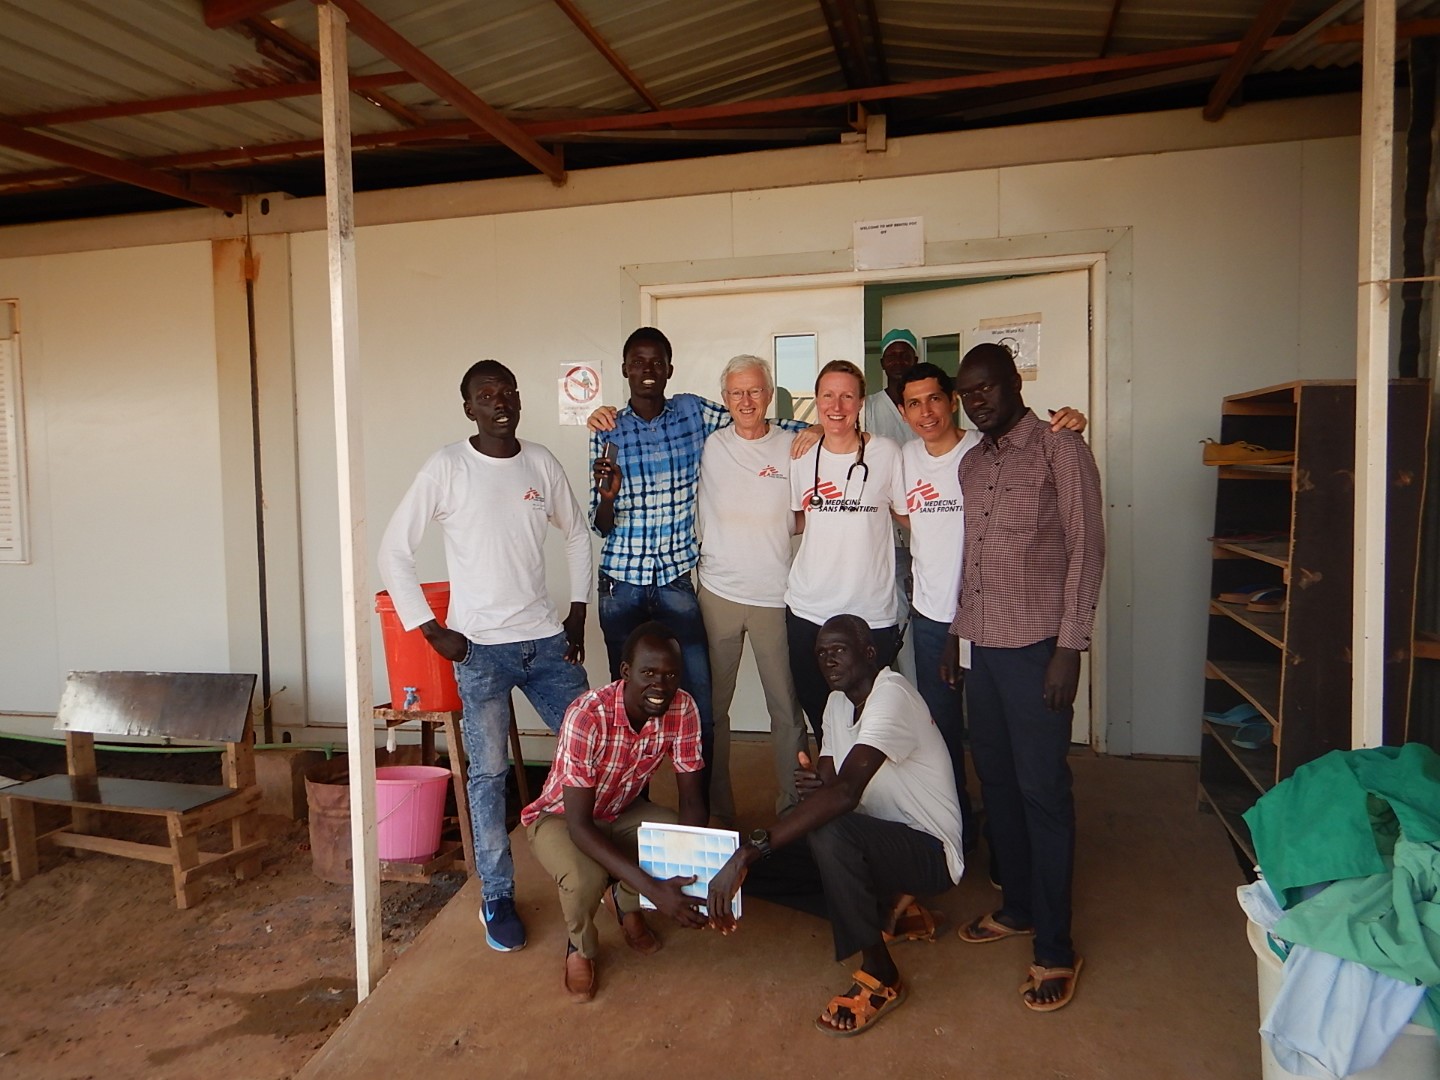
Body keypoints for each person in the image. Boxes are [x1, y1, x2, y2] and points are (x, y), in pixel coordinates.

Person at [377, 359, 589, 954]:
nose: (500, 402)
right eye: (485, 395)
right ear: (468, 406)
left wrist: (577, 610)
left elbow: (575, 533)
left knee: (596, 753)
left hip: (547, 644)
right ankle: (496, 894)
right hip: (479, 653)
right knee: (490, 776)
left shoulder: (540, 462)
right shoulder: (446, 467)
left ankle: (611, 875)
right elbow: (394, 552)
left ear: (520, 400)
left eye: (508, 392)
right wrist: (431, 630)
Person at [707, 614, 964, 1037]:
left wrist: (750, 849)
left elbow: (844, 795)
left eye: (838, 650)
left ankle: (882, 975)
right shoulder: (836, 703)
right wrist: (814, 785)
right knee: (770, 856)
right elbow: (829, 782)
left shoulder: (892, 695)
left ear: (868, 653)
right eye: (821, 653)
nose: (828, 660)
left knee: (814, 834)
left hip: (930, 853)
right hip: (874, 838)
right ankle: (886, 912)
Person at [948, 342, 1104, 1013]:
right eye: (966, 393)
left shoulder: (1059, 448)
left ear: (1014, 383)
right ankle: (1016, 906)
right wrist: (957, 640)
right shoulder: (970, 465)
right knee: (999, 782)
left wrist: (1070, 648)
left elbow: (1086, 547)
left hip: (1038, 649)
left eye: (985, 388)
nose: (975, 400)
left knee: (1044, 791)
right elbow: (972, 559)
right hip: (981, 649)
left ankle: (1056, 946)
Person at [588, 328, 809, 791]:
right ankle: (630, 799)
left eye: (656, 362)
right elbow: (600, 522)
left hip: (675, 582)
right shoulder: (608, 429)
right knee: (624, 703)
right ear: (625, 368)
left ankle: (706, 810)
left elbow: (754, 421)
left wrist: (829, 429)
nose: (647, 370)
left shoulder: (693, 413)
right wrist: (609, 497)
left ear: (670, 368)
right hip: (622, 585)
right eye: (637, 362)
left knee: (701, 702)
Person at [898, 362, 1088, 855]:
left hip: (1017, 636)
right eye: (914, 403)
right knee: (969, 755)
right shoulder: (936, 460)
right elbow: (960, 550)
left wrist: (1070, 646)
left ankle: (1040, 905)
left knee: (1031, 773)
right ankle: (972, 847)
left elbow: (1086, 547)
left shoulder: (1025, 447)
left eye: (939, 397)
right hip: (948, 628)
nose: (928, 411)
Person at [521, 622, 708, 1002]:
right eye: (649, 673)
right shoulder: (587, 716)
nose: (660, 685)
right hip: (560, 818)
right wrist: (655, 888)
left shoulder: (683, 707)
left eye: (670, 675)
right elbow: (579, 826)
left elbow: (692, 800)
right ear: (625, 673)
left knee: (671, 831)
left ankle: (625, 904)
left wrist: (696, 872)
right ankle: (580, 947)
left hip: (621, 810)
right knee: (584, 877)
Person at [695, 355, 809, 822]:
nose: (746, 400)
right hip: (717, 595)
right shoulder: (707, 445)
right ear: (725, 400)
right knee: (713, 713)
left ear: (769, 395)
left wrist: (817, 429)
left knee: (785, 709)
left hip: (774, 597)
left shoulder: (795, 446)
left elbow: (806, 510)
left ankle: (793, 811)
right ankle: (719, 814)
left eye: (756, 391)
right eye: (737, 392)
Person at [786, 360, 907, 745]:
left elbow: (907, 517)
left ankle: (870, 799)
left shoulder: (887, 453)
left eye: (847, 396)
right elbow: (798, 519)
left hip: (869, 612)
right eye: (828, 396)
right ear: (817, 400)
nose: (836, 405)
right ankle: (831, 792)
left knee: (871, 719)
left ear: (860, 403)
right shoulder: (802, 455)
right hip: (809, 608)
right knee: (820, 713)